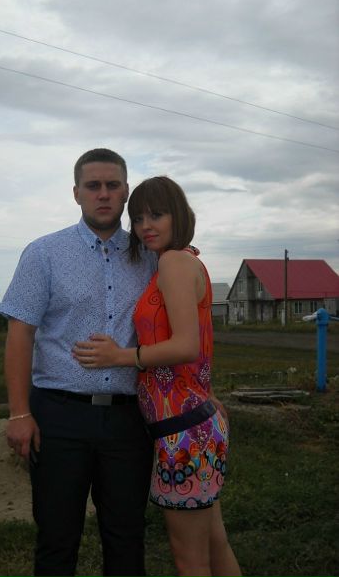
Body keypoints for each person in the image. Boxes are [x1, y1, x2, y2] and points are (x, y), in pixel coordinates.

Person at [73, 176, 241, 577]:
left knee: (189, 558)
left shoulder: (174, 262)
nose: (146, 225)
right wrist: (201, 391)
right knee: (214, 543)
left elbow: (186, 345)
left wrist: (119, 356)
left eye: (157, 215)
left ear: (178, 215)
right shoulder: (180, 260)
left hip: (183, 433)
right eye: (138, 218)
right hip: (191, 422)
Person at [0, 148, 156, 577]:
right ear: (76, 193)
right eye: (93, 186)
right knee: (56, 539)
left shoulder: (150, 258)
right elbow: (20, 334)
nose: (103, 194)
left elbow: (173, 332)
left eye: (112, 185)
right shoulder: (44, 253)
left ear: (126, 191)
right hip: (58, 417)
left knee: (126, 538)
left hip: (128, 421)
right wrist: (19, 413)